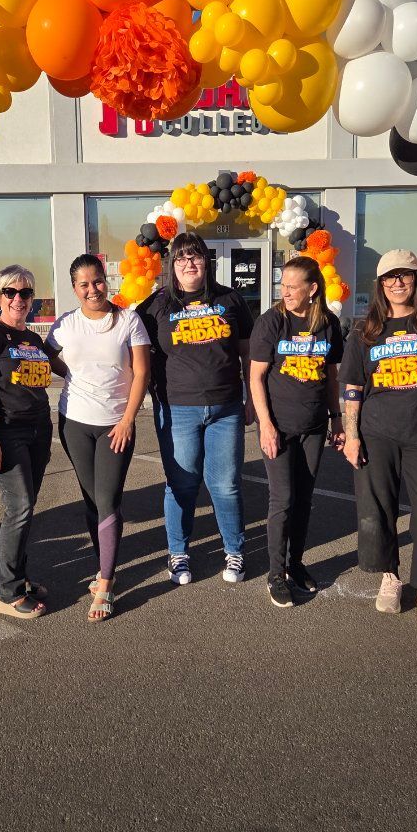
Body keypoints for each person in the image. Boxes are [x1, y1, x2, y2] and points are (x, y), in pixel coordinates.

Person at [340, 250, 417, 634]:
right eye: (390, 278)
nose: (397, 283)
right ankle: (390, 574)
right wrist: (351, 437)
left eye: (404, 276)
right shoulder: (365, 328)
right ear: (380, 284)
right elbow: (353, 387)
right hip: (377, 433)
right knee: (378, 510)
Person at [137, 231, 255, 585]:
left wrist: (250, 399)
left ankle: (234, 551)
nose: (189, 263)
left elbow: (248, 354)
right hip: (178, 410)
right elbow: (131, 349)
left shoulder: (231, 300)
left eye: (196, 256)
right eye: (182, 258)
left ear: (207, 261)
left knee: (226, 485)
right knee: (181, 484)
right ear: (173, 265)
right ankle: (178, 554)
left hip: (226, 408)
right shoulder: (155, 306)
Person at [46, 254, 150, 620]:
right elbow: (48, 356)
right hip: (74, 422)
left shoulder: (128, 321)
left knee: (108, 499)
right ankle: (102, 565)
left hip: (114, 426)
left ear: (108, 280)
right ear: (74, 289)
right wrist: (70, 373)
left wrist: (126, 421)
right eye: (84, 284)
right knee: (91, 500)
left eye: (98, 281)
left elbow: (141, 374)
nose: (93, 289)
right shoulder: (64, 325)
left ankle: (105, 583)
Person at [249, 255, 344, 608]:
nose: (285, 292)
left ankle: (295, 563)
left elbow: (332, 376)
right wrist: (266, 426)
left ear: (312, 288)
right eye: (283, 285)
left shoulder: (329, 324)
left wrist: (337, 419)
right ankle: (275, 573)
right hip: (280, 426)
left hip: (315, 427)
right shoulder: (271, 322)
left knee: (304, 499)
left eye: (292, 286)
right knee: (283, 499)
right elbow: (256, 377)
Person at [0, 266, 53, 619]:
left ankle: (19, 576)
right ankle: (7, 592)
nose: (18, 299)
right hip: (8, 432)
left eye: (25, 293)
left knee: (27, 506)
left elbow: (64, 367)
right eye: (10, 293)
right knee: (18, 507)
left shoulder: (33, 340)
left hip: (38, 430)